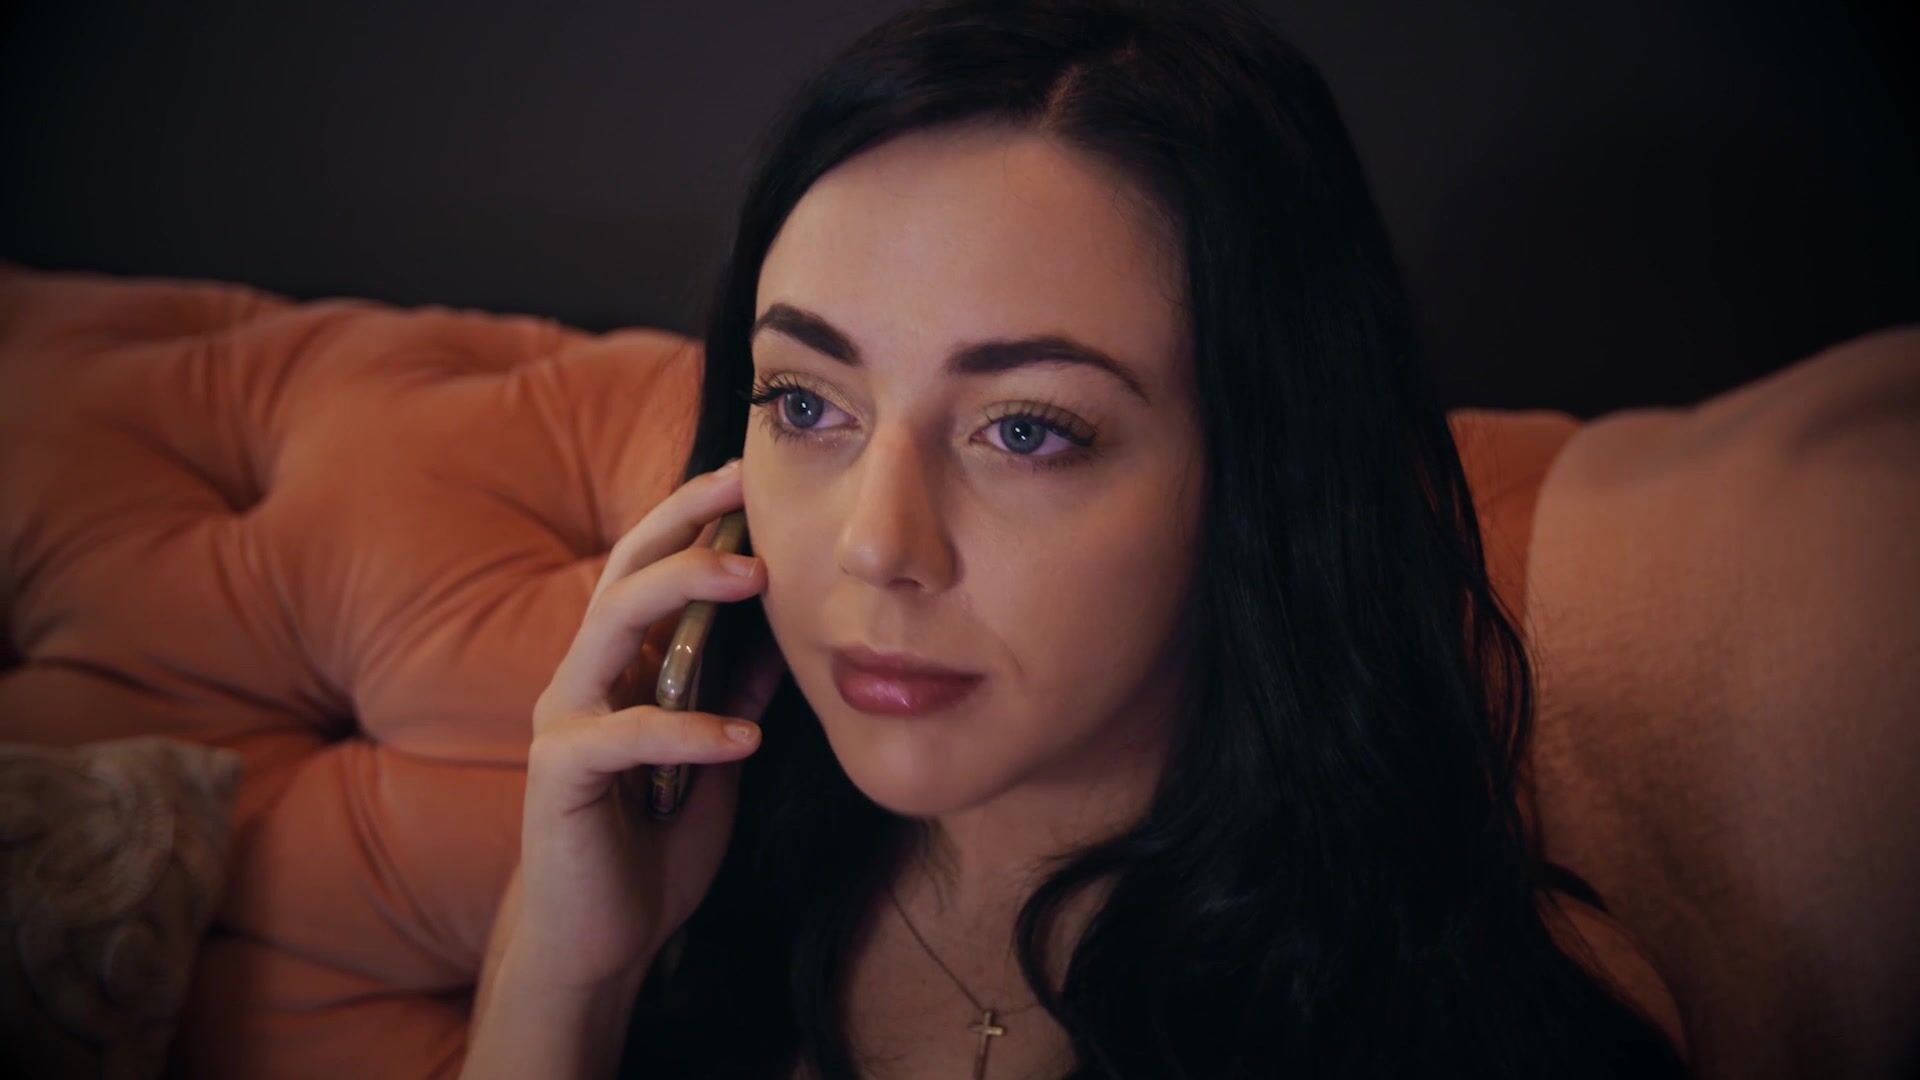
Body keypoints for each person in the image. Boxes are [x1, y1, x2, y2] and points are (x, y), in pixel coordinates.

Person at [461, 0, 1691, 1076]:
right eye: (805, 403)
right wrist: (567, 984)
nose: (874, 547)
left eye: (1027, 431)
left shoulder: (1501, 1017)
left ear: (1261, 474)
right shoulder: (642, 880)